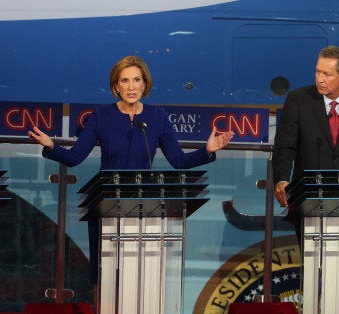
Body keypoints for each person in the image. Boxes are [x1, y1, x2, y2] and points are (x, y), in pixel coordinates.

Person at [28, 55, 234, 303]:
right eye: (124, 81)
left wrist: (208, 150)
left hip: (143, 210)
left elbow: (178, 161)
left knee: (140, 278)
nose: (131, 86)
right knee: (104, 276)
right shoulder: (101, 116)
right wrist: (51, 146)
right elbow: (75, 157)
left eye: (137, 80)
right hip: (105, 207)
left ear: (145, 84)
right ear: (116, 87)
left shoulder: (157, 117)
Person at [272, 45, 339, 221]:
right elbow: (285, 147)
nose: (320, 79)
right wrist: (282, 180)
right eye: (318, 72)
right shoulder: (298, 100)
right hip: (308, 197)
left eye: (327, 74)